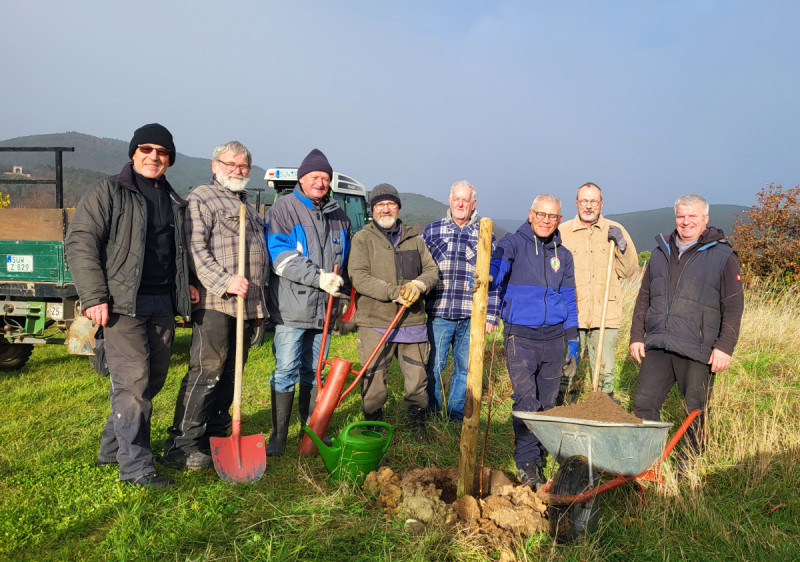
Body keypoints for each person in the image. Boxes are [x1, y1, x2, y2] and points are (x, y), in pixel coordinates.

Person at [65, 123, 195, 488]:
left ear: (170, 159)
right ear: (133, 153)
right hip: (122, 304)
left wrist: (188, 285)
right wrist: (94, 297)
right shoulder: (109, 191)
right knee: (133, 385)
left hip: (162, 303)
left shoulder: (174, 200)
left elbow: (177, 252)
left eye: (162, 152)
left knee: (151, 381)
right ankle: (136, 468)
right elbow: (80, 243)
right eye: (146, 149)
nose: (154, 156)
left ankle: (112, 450)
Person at [161, 141, 268, 470]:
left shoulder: (247, 206)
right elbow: (194, 248)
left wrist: (258, 308)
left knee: (232, 374)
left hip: (245, 307)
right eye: (230, 164)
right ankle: (181, 444)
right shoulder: (202, 197)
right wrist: (225, 281)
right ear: (215, 165)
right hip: (215, 302)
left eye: (243, 165)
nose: (237, 170)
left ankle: (216, 435)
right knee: (207, 372)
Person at [630, 194, 743, 463]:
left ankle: (688, 464)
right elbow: (643, 297)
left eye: (693, 216)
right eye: (681, 216)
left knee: (695, 410)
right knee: (644, 405)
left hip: (698, 348)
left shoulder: (723, 256)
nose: (686, 221)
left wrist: (724, 347)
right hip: (659, 344)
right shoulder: (660, 252)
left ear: (705, 219)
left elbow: (733, 305)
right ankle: (643, 462)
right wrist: (636, 336)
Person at [477, 194, 578, 491]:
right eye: (541, 214)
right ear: (531, 214)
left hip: (555, 337)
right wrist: (489, 275)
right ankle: (527, 462)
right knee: (526, 401)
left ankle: (542, 450)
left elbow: (569, 297)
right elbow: (499, 263)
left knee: (547, 403)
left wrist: (572, 335)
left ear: (559, 219)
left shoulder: (564, 255)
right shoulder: (514, 243)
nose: (546, 221)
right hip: (520, 336)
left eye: (552, 216)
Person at [266, 148, 351, 456]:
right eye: (315, 177)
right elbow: (280, 256)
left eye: (325, 178)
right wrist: (319, 278)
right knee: (286, 369)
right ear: (301, 179)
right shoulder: (284, 209)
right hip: (293, 308)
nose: (320, 183)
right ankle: (278, 436)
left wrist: (345, 294)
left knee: (314, 372)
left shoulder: (340, 216)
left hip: (324, 311)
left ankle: (310, 431)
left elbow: (346, 262)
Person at [348, 184, 439, 439]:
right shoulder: (363, 239)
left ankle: (416, 422)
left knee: (417, 375)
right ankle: (373, 422)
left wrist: (419, 285)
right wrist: (394, 292)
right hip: (374, 320)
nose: (385, 209)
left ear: (398, 207)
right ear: (372, 209)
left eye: (390, 204)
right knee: (374, 374)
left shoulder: (414, 239)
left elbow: (431, 270)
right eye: (379, 205)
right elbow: (359, 277)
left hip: (412, 320)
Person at [422, 180, 500, 421]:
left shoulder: (485, 234)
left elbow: (494, 278)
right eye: (456, 198)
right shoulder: (432, 231)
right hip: (439, 312)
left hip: (471, 315)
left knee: (465, 368)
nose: (460, 204)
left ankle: (455, 416)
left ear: (473, 203)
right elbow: (420, 270)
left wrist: (491, 315)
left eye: (465, 200)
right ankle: (433, 414)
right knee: (434, 365)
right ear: (449, 200)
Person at [558, 182, 639, 402]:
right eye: (584, 201)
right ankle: (565, 411)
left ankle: (602, 413)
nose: (588, 206)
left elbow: (629, 270)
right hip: (572, 314)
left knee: (605, 372)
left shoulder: (615, 229)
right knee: (567, 369)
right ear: (577, 203)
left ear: (601, 204)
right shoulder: (563, 232)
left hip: (606, 314)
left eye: (593, 201)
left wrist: (622, 246)